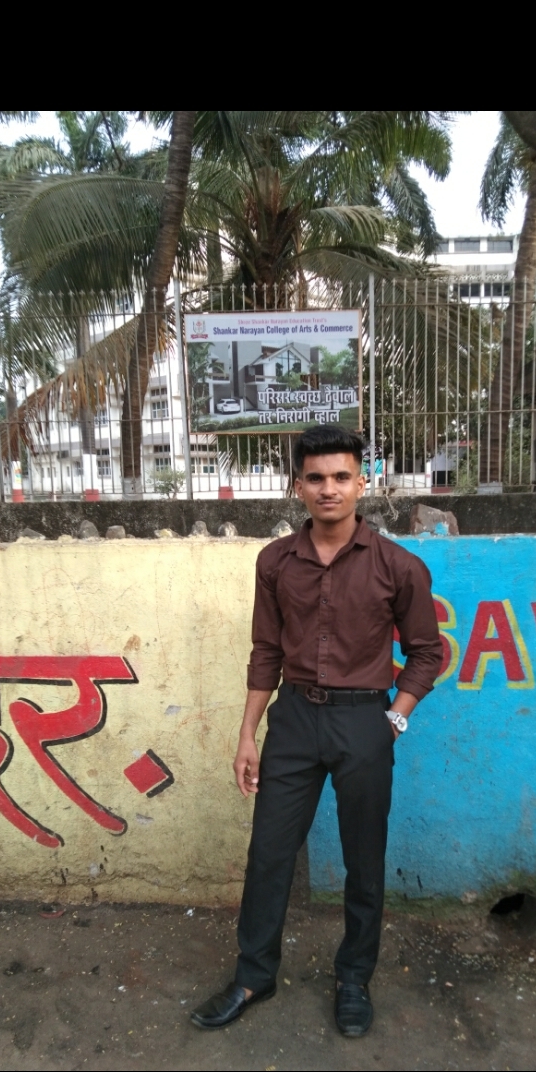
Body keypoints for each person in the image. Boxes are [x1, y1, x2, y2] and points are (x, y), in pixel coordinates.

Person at [191, 424, 443, 1038]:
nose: (329, 489)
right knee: (269, 853)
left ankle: (354, 978)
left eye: (341, 477)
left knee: (364, 859)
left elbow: (426, 653)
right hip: (295, 720)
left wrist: (395, 717)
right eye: (315, 478)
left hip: (365, 722)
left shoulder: (399, 567)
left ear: (362, 482)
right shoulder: (275, 562)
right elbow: (265, 653)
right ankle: (254, 975)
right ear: (297, 486)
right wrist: (248, 736)